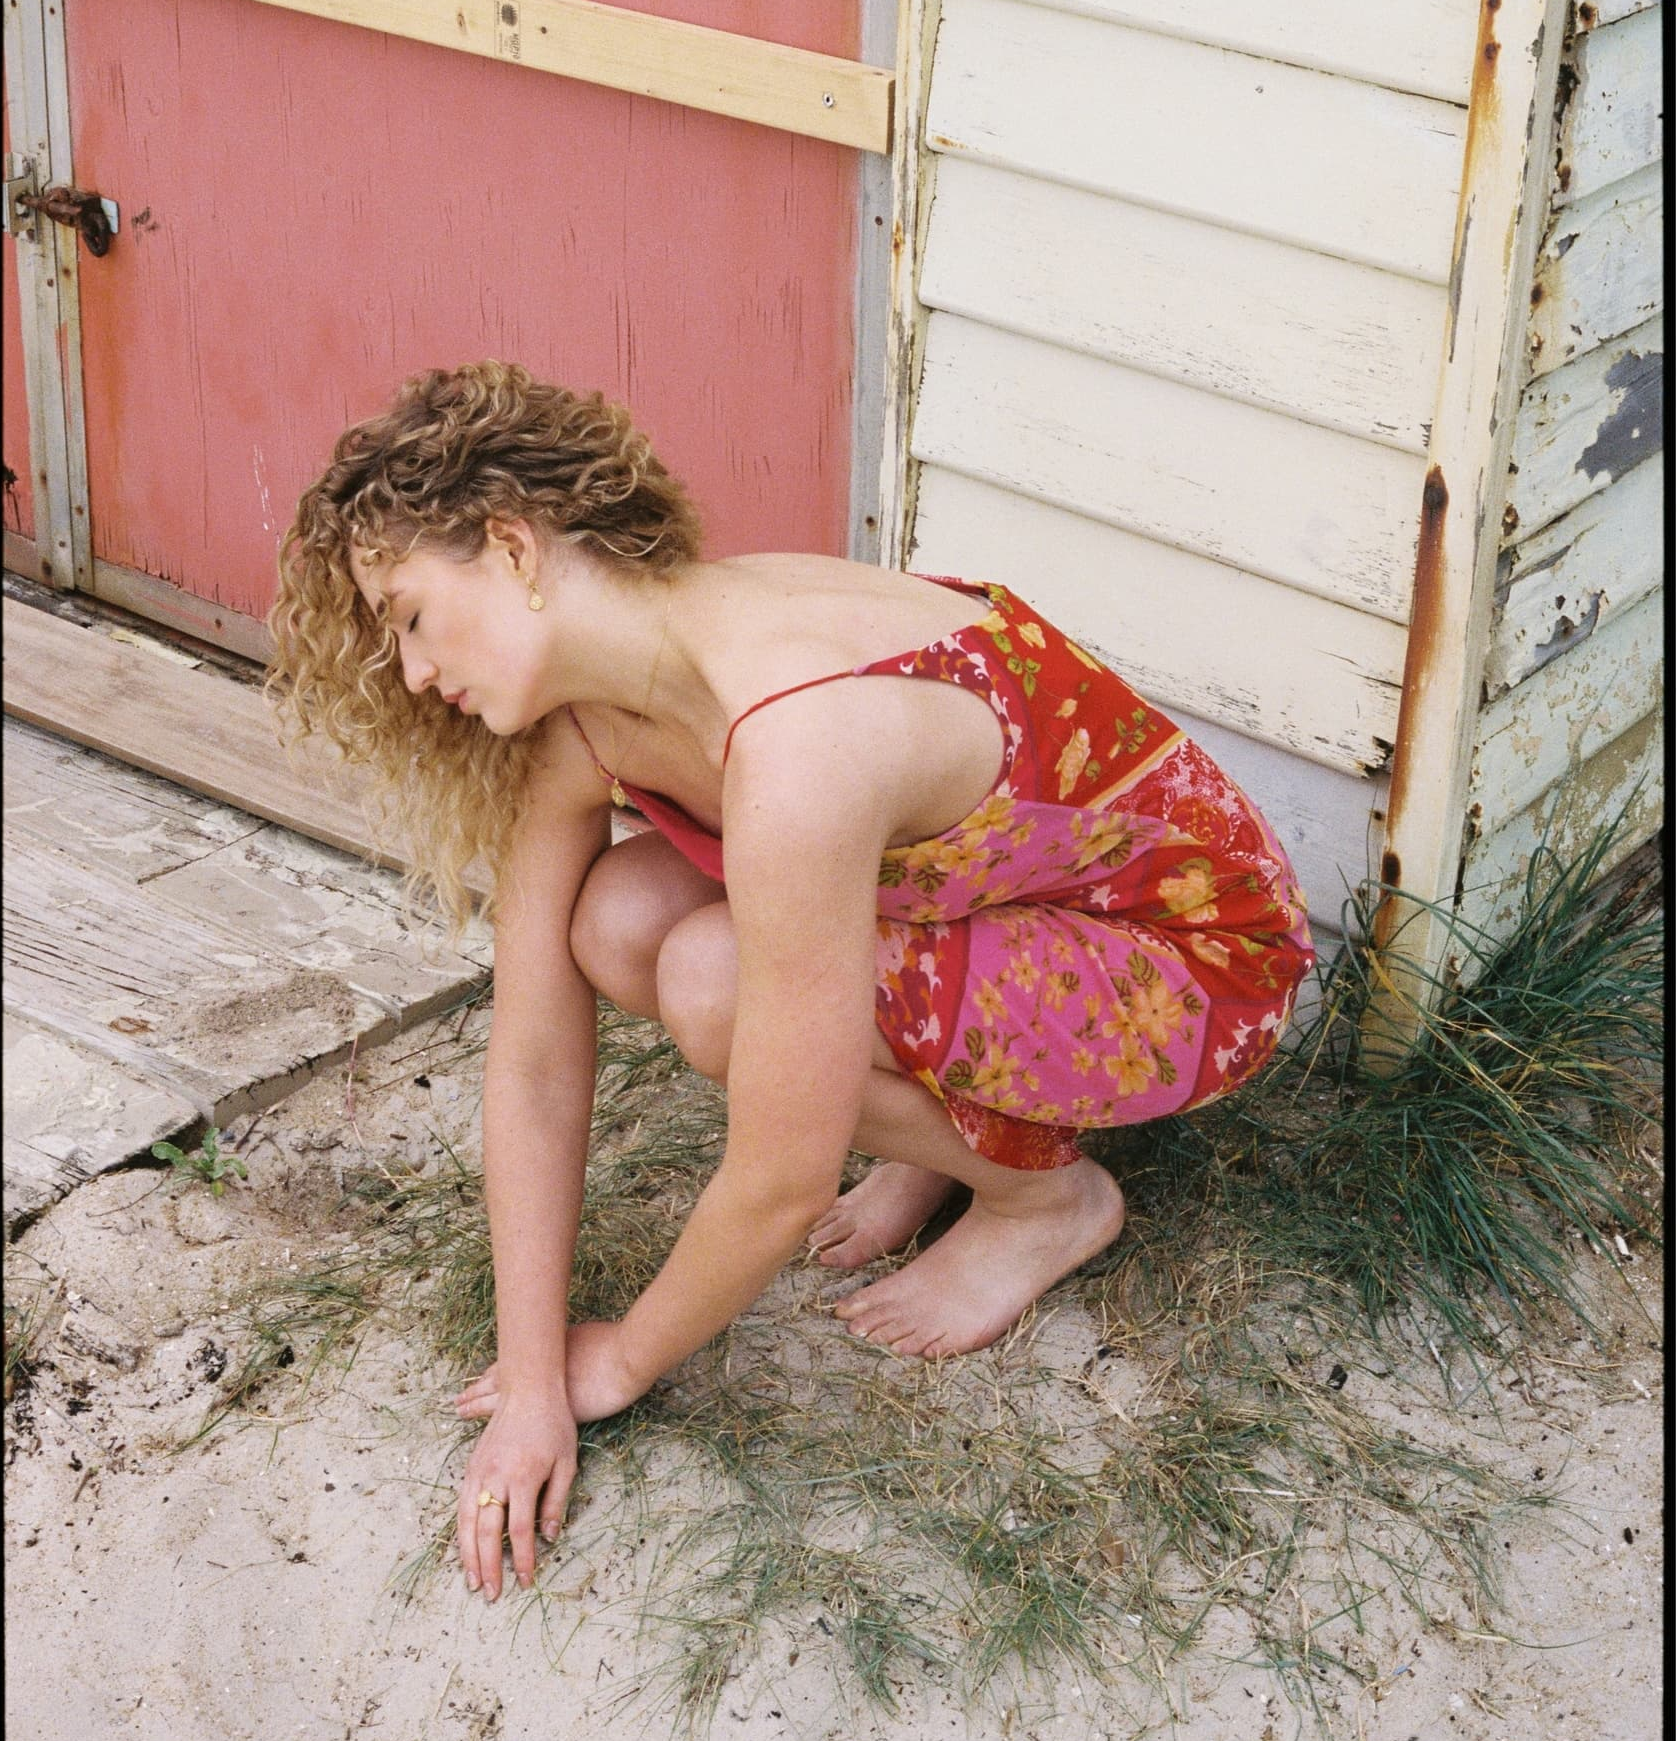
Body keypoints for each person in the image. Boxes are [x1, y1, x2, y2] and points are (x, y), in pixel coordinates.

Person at [270, 361, 1314, 1601]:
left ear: (511, 547)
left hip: (1190, 964)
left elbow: (780, 1176)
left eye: (406, 614)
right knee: (613, 922)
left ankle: (1045, 1203)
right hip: (1000, 909)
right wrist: (529, 1367)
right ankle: (944, 1129)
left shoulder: (795, 735)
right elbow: (536, 1057)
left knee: (714, 981)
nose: (406, 669)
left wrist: (614, 1368)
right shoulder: (594, 716)